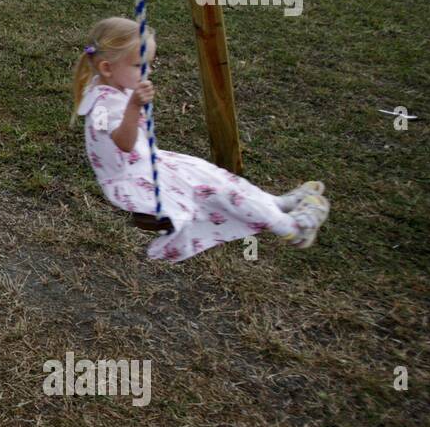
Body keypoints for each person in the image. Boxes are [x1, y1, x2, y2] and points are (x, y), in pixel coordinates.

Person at [73, 17, 329, 262]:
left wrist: (132, 101)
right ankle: (292, 229)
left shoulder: (110, 84)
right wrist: (134, 106)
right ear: (107, 68)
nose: (148, 71)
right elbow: (123, 143)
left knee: (217, 177)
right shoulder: (102, 107)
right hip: (134, 180)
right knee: (215, 192)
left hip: (150, 162)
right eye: (140, 65)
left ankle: (274, 203)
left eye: (150, 63)